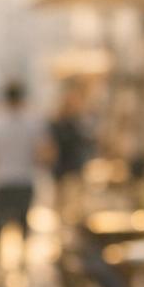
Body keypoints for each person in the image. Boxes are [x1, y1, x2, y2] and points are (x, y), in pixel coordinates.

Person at [0, 79, 53, 287]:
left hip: (0, 181)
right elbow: (43, 152)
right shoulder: (33, 121)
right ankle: (21, 266)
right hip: (24, 180)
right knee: (23, 225)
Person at [48, 84, 94, 224]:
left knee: (72, 207)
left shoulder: (77, 123)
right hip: (64, 170)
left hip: (72, 170)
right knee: (63, 207)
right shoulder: (60, 124)